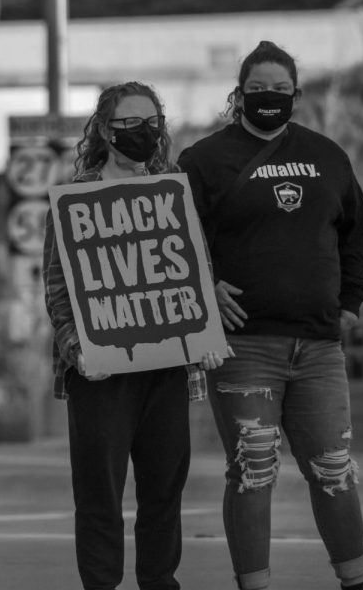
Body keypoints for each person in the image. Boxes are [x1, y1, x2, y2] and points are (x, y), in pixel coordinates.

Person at [177, 41, 363, 590]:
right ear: (239, 94)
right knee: (253, 469)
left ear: (297, 95)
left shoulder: (329, 156)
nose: (269, 98)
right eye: (258, 90)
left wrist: (350, 304)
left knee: (334, 470)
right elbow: (172, 242)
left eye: (280, 91)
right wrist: (204, 286)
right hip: (243, 349)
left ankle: (357, 582)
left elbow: (358, 232)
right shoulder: (203, 160)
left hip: (318, 349)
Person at [43, 81, 227, 590]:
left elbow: (194, 271)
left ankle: (160, 582)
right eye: (130, 124)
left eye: (152, 123)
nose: (143, 132)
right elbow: (58, 289)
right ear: (105, 129)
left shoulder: (173, 189)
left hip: (166, 369)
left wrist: (204, 334)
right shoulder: (77, 198)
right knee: (100, 497)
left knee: (164, 493)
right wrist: (77, 352)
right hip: (100, 372)